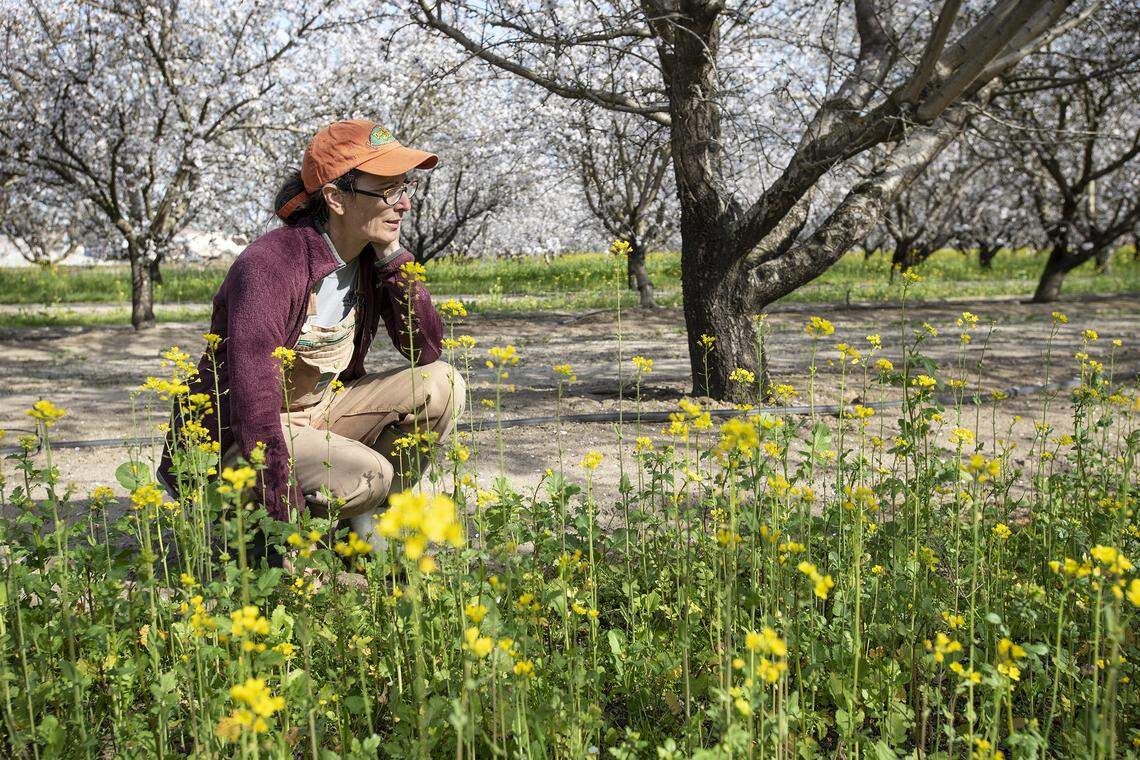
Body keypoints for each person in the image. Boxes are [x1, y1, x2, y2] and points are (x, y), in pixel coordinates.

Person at [158, 119, 465, 563]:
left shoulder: (366, 257)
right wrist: (284, 521)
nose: (404, 205)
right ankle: (252, 529)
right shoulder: (268, 267)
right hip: (241, 439)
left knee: (443, 384)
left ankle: (359, 531)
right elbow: (252, 404)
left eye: (405, 187)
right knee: (370, 475)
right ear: (336, 198)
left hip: (319, 414)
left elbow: (426, 349)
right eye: (388, 191)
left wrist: (394, 260)